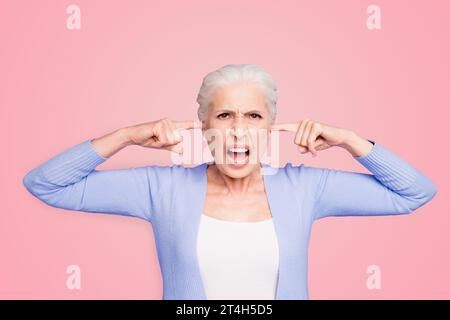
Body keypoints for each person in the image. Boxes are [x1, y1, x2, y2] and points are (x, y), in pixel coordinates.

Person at [23, 64, 437, 300]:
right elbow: (46, 184)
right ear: (203, 127)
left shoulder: (305, 188)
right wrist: (127, 135)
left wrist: (349, 140)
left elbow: (415, 192)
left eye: (253, 117)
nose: (238, 131)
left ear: (271, 127)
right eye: (224, 116)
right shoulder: (161, 188)